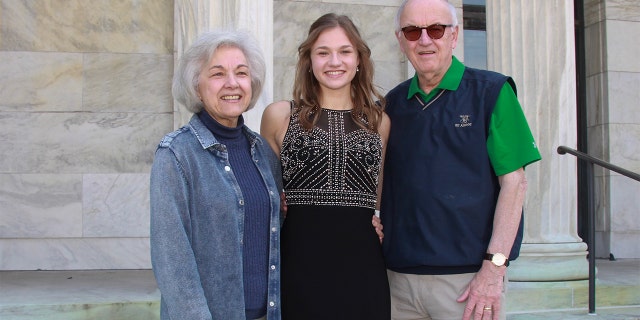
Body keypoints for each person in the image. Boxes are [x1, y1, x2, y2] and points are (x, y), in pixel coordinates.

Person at [381, 0, 542, 320]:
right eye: (413, 31)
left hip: (467, 284)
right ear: (401, 40)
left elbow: (515, 183)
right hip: (396, 281)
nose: (424, 40)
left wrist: (494, 269)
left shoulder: (492, 91)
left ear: (454, 36)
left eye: (436, 29)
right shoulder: (389, 105)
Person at [261, 13, 391, 320]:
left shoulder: (379, 122)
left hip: (363, 270)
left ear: (359, 59)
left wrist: (380, 222)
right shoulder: (280, 116)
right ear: (309, 61)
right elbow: (263, 194)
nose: (335, 61)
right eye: (323, 52)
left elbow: (378, 199)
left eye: (345, 51)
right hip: (298, 268)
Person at [150, 30, 282, 320]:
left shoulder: (262, 152)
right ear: (197, 86)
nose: (232, 83)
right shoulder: (176, 154)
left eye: (241, 73)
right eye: (218, 74)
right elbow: (171, 259)